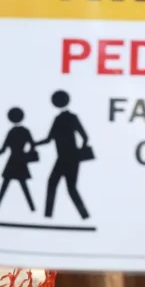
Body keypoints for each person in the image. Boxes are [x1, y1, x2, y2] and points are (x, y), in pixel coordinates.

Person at [35, 89, 91, 220]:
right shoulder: (65, 118)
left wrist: (34, 144)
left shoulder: (63, 119)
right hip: (67, 158)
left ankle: (83, 215)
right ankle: (50, 215)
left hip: (67, 158)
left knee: (63, 186)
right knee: (61, 185)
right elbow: (85, 138)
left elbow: (49, 139)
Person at [0, 107, 37, 212]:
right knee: (21, 186)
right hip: (19, 161)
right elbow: (33, 145)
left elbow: (3, 149)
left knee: (7, 185)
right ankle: (32, 208)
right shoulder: (24, 131)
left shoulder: (12, 132)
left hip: (13, 161)